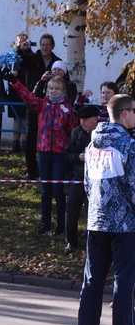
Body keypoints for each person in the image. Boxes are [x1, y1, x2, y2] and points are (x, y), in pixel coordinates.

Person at [77, 94, 135, 325]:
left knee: (92, 280)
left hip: (96, 222)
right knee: (124, 283)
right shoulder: (129, 147)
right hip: (125, 225)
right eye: (134, 110)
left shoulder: (92, 146)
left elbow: (88, 185)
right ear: (124, 113)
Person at [9, 75, 78, 235]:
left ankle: (62, 224)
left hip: (60, 155)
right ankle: (45, 223)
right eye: (51, 88)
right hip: (44, 153)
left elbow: (73, 130)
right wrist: (14, 83)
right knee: (45, 190)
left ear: (63, 90)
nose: (53, 91)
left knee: (57, 190)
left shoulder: (67, 109)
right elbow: (28, 96)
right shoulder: (42, 104)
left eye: (57, 88)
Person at [22, 34, 62, 179]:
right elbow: (19, 63)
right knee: (31, 137)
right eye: (42, 44)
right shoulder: (32, 58)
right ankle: (32, 171)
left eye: (47, 45)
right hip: (34, 103)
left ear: (52, 46)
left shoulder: (57, 62)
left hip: (52, 106)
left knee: (50, 138)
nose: (44, 47)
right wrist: (21, 49)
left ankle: (47, 171)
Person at [63, 105, 99, 255]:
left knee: (94, 213)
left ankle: (94, 245)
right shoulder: (76, 132)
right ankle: (71, 242)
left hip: (97, 179)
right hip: (79, 177)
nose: (82, 122)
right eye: (81, 120)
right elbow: (67, 153)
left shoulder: (102, 134)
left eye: (86, 120)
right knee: (71, 209)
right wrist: (78, 157)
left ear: (95, 119)